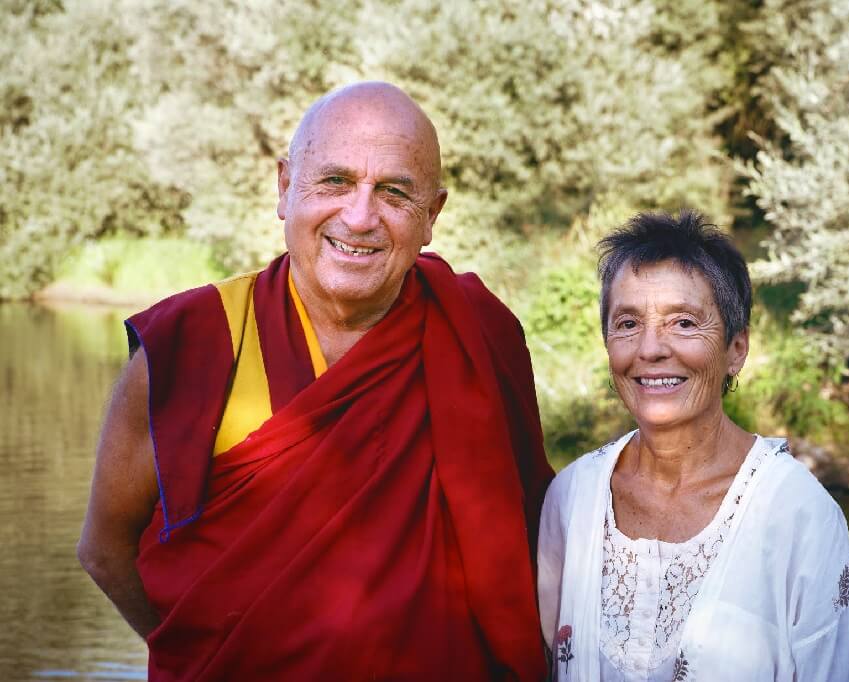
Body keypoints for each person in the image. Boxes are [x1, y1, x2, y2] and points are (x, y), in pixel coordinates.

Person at [78, 82, 554, 681]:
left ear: (431, 216)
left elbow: (534, 526)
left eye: (394, 192)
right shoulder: (194, 344)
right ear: (284, 188)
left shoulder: (477, 331)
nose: (359, 217)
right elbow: (104, 548)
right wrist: (209, 654)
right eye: (335, 181)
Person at [537, 210, 849, 681]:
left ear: (736, 349)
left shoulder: (798, 514)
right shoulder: (571, 498)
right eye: (628, 323)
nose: (651, 349)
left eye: (683, 323)